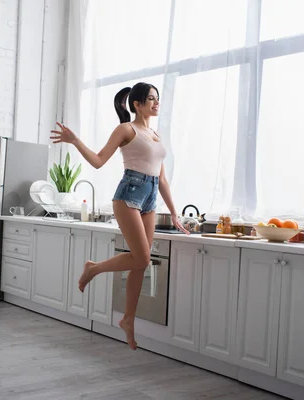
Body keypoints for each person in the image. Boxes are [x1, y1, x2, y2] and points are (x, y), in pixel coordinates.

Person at [50, 82, 189, 350]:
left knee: (139, 263)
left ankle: (128, 320)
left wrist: (173, 211)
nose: (156, 103)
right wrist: (75, 140)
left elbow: (162, 179)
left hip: (150, 198)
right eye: (151, 99)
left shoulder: (156, 135)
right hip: (129, 194)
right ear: (136, 104)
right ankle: (94, 269)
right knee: (143, 256)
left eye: (157, 98)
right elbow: (99, 160)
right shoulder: (127, 129)